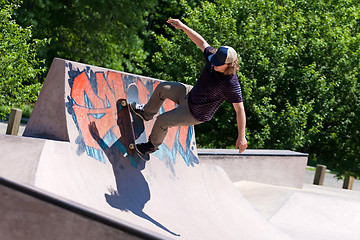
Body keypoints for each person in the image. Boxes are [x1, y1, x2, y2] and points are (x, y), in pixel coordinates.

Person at [131, 18, 248, 155]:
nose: (213, 64)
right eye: (214, 61)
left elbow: (240, 110)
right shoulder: (213, 58)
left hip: (195, 113)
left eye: (218, 64)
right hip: (190, 93)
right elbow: (201, 42)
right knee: (163, 88)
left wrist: (241, 136)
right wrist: (183, 27)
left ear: (229, 65)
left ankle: (152, 146)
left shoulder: (230, 84)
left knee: (162, 120)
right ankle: (146, 113)